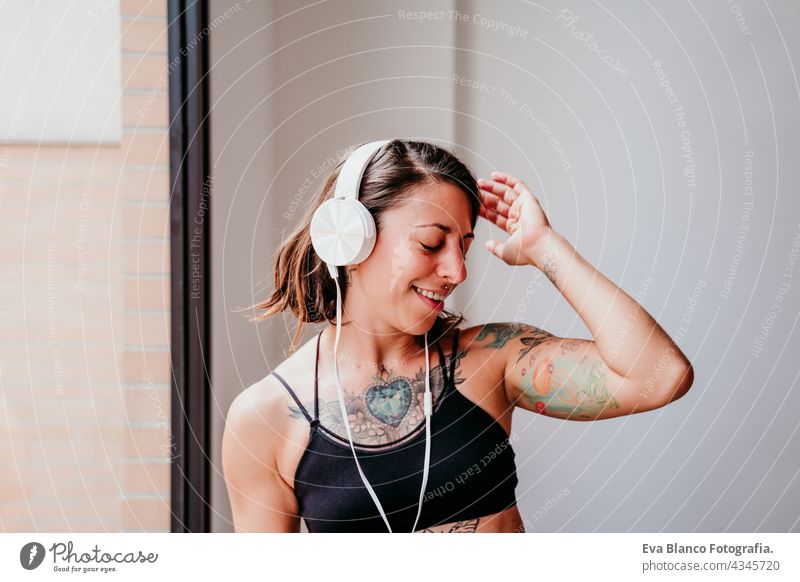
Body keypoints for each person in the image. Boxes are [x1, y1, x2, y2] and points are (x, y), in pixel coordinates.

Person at [222, 139, 694, 533]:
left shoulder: (492, 359)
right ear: (351, 238)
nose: (456, 271)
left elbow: (661, 375)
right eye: (431, 243)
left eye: (464, 246)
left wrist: (545, 248)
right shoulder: (264, 420)